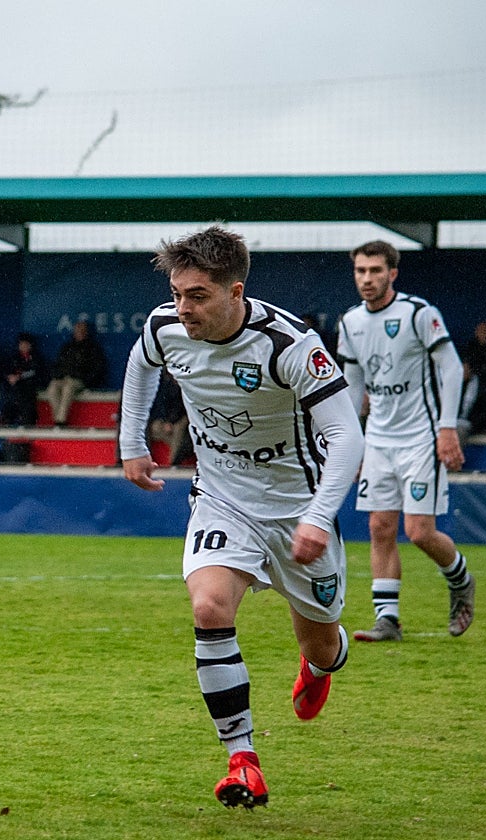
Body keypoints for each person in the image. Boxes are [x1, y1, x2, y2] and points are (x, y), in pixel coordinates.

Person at [119, 224, 364, 810]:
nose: (182, 309)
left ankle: (321, 661)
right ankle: (242, 759)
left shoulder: (290, 346)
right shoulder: (164, 327)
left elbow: (346, 436)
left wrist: (320, 517)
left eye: (197, 296)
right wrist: (131, 441)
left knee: (322, 641)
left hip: (299, 509)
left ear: (235, 290)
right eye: (177, 294)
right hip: (223, 498)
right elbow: (141, 363)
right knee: (208, 605)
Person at [337, 240, 475, 643]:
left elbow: (450, 367)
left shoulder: (418, 313)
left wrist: (447, 428)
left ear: (392, 273)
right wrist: (353, 440)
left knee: (418, 531)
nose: (367, 278)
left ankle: (460, 579)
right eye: (361, 271)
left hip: (420, 438)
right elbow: (352, 385)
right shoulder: (350, 323)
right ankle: (388, 620)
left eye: (375, 270)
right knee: (380, 526)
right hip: (379, 438)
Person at [45, 320, 106, 426]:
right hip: (63, 379)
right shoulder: (67, 347)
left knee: (68, 388)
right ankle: (57, 419)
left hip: (79, 381)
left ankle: (61, 421)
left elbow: (96, 369)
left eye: (82, 330)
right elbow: (57, 365)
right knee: (52, 388)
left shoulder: (92, 348)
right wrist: (59, 375)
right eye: (77, 330)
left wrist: (87, 380)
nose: (80, 333)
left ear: (86, 332)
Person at [2, 332, 48, 427]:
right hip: (15, 390)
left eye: (26, 344)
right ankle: (6, 422)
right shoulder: (14, 357)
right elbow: (6, 371)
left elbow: (37, 373)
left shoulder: (37, 358)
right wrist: (10, 377)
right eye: (21, 344)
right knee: (11, 394)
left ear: (31, 345)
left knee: (25, 397)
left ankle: (26, 425)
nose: (23, 346)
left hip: (30, 387)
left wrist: (20, 377)